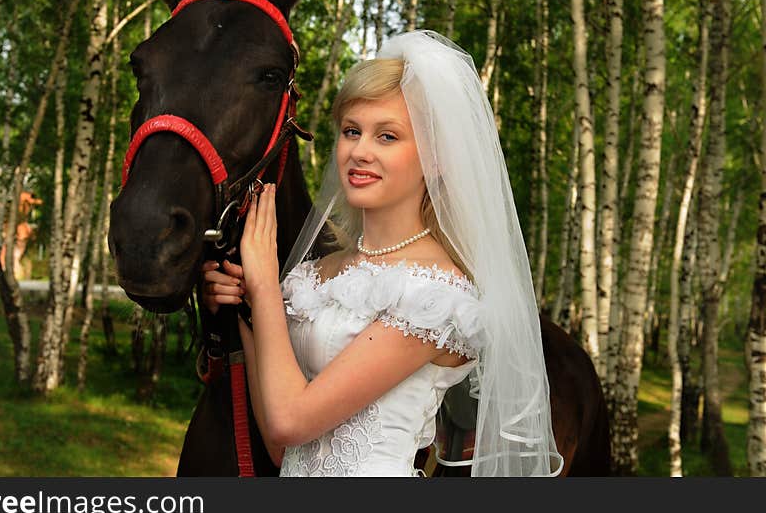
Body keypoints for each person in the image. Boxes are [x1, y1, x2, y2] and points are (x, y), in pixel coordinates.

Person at [201, 30, 563, 477]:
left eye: (387, 137)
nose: (360, 151)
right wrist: (246, 308)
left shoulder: (434, 294)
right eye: (352, 131)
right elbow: (282, 448)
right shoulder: (317, 277)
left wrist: (263, 285)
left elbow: (289, 419)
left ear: (435, 159)